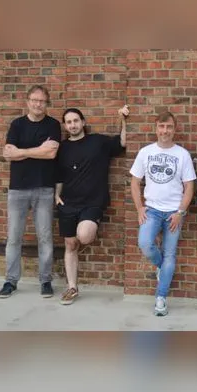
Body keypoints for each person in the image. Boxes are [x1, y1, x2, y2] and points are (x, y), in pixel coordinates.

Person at [55, 106, 129, 305]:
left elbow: (123, 142)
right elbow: (59, 175)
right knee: (70, 245)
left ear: (83, 122)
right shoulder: (62, 148)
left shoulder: (98, 142)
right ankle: (72, 287)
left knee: (84, 236)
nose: (73, 125)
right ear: (65, 126)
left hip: (93, 203)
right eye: (69, 122)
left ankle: (89, 230)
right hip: (68, 203)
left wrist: (123, 119)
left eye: (75, 121)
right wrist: (56, 194)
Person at [130, 111, 196, 317]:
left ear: (174, 129)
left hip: (174, 213)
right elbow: (135, 182)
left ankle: (161, 298)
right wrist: (139, 207)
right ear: (156, 128)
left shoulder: (182, 154)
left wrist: (180, 212)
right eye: (161, 126)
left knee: (170, 254)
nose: (165, 131)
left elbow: (189, 187)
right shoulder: (145, 152)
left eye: (169, 127)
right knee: (145, 243)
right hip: (152, 210)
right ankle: (161, 266)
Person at [0, 85, 61, 299]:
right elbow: (8, 154)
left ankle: (45, 280)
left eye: (42, 101)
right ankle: (10, 281)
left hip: (44, 188)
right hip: (18, 189)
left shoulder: (53, 124)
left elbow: (51, 153)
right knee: (14, 237)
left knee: (45, 237)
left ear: (47, 103)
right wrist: (38, 150)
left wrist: (22, 152)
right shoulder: (17, 124)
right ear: (27, 101)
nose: (38, 104)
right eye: (34, 100)